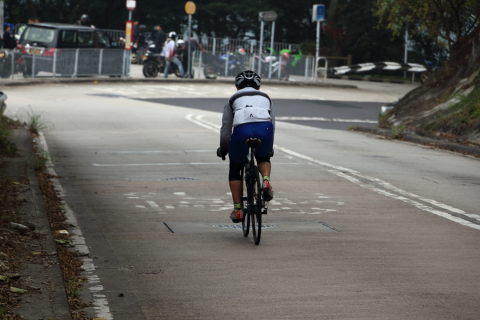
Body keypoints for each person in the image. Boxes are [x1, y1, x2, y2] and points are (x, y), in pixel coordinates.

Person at [217, 70, 275, 223]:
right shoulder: (266, 97)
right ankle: (266, 181)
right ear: (258, 85)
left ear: (237, 85)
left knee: (235, 167)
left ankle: (237, 210)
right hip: (265, 130)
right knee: (263, 156)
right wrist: (269, 147)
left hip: (242, 131)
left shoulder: (233, 99)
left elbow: (226, 128)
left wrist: (224, 148)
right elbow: (272, 122)